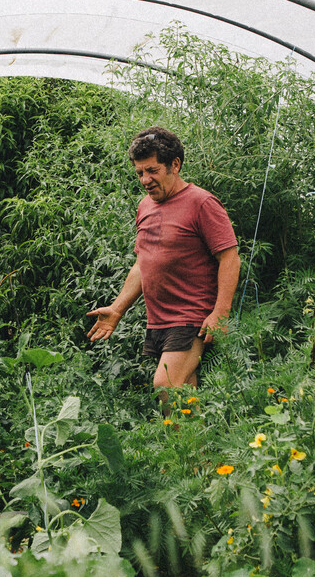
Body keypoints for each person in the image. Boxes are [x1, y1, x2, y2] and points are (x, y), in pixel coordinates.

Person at [86, 126, 239, 393]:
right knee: (185, 396)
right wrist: (117, 309)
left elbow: (230, 258)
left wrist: (221, 313)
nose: (145, 180)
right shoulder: (145, 206)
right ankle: (195, 436)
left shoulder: (201, 203)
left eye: (152, 171)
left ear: (175, 165)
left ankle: (183, 436)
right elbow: (142, 263)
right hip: (158, 319)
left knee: (166, 386)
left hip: (191, 316)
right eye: (140, 173)